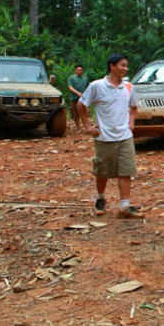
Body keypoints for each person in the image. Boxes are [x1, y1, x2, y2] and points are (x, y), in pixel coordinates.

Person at [77, 53, 144, 219]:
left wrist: (131, 123)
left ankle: (125, 206)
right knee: (103, 172)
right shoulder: (96, 86)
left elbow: (134, 107)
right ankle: (100, 198)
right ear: (112, 66)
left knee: (126, 171)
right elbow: (81, 104)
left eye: (126, 65)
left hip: (125, 136)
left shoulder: (129, 87)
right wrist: (87, 126)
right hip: (104, 137)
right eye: (122, 65)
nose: (125, 69)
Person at [67, 64, 90, 132]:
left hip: (83, 98)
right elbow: (70, 87)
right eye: (78, 70)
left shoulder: (85, 78)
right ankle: (79, 128)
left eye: (81, 70)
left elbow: (88, 87)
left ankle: (87, 127)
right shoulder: (71, 78)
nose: (80, 71)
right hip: (74, 98)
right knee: (75, 114)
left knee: (85, 113)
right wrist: (77, 93)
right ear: (75, 70)